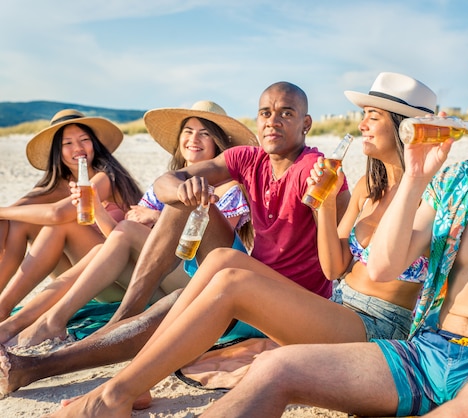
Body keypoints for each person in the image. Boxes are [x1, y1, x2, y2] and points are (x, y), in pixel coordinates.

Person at [204, 48, 468, 418]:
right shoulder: (460, 181)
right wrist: (416, 177)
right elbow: (386, 265)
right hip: (426, 351)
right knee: (276, 368)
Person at [39, 72, 435, 416]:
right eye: (364, 115)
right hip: (339, 305)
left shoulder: (432, 194)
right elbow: (337, 269)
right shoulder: (369, 187)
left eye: (373, 116)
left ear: (405, 127)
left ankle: (115, 394)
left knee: (230, 281)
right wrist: (326, 207)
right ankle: (135, 379)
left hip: (378, 328)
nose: (362, 124)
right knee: (223, 261)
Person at [0, 81, 350, 397]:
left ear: (305, 124)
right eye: (265, 112)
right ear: (257, 121)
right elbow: (167, 182)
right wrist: (185, 187)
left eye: (286, 113)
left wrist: (327, 201)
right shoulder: (248, 158)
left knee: (175, 306)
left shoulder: (316, 170)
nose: (273, 120)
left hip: (286, 299)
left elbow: (337, 259)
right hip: (246, 270)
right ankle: (123, 316)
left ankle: (33, 367)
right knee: (181, 201)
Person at [0, 101, 256, 347]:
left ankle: (51, 320)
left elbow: (217, 248)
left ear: (219, 144)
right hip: (152, 280)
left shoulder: (228, 188)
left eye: (205, 134)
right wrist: (98, 209)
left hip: (194, 282)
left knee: (118, 233)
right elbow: (120, 242)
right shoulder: (164, 186)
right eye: (188, 131)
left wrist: (159, 219)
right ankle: (19, 323)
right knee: (105, 245)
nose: (194, 139)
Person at [0, 110, 143, 320]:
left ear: (95, 144)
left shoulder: (106, 178)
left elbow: (58, 214)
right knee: (18, 222)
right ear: (57, 151)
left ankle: (3, 309)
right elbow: (13, 213)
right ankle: (2, 304)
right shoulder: (57, 185)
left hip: (118, 280)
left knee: (62, 224)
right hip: (82, 276)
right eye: (67, 143)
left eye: (85, 140)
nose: (78, 148)